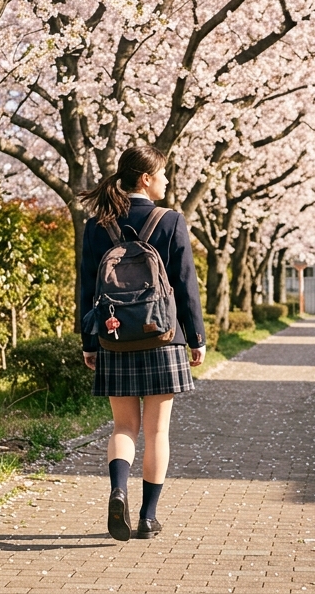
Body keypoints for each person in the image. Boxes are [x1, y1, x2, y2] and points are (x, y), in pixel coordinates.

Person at [78, 145, 206, 542]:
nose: (166, 181)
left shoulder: (97, 225)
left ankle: (119, 490)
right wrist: (196, 337)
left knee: (123, 426)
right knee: (156, 433)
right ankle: (148, 518)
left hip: (114, 336)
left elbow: (86, 288)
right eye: (162, 174)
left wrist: (89, 341)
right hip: (163, 337)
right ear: (145, 178)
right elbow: (186, 286)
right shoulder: (169, 221)